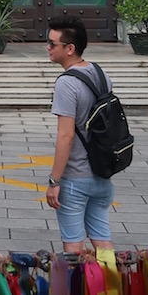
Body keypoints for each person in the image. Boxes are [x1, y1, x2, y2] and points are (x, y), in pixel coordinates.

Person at [45, 14, 114, 253]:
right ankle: (109, 288)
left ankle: (77, 291)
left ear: (70, 48)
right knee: (103, 242)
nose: (48, 48)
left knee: (73, 248)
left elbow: (66, 136)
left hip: (75, 179)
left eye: (53, 44)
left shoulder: (66, 83)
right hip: (102, 174)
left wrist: (54, 181)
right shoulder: (101, 74)